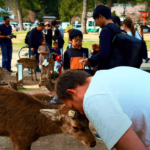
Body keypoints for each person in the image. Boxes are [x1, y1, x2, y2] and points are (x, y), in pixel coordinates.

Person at [56, 68, 150, 150]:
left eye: (74, 106)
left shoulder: (92, 99)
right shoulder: (110, 74)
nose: (81, 112)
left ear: (72, 92)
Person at [80, 5, 120, 71]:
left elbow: (104, 54)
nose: (96, 23)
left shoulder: (105, 30)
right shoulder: (116, 28)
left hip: (107, 68)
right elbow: (112, 48)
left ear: (100, 16)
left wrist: (90, 60)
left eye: (96, 20)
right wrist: (100, 48)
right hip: (116, 66)